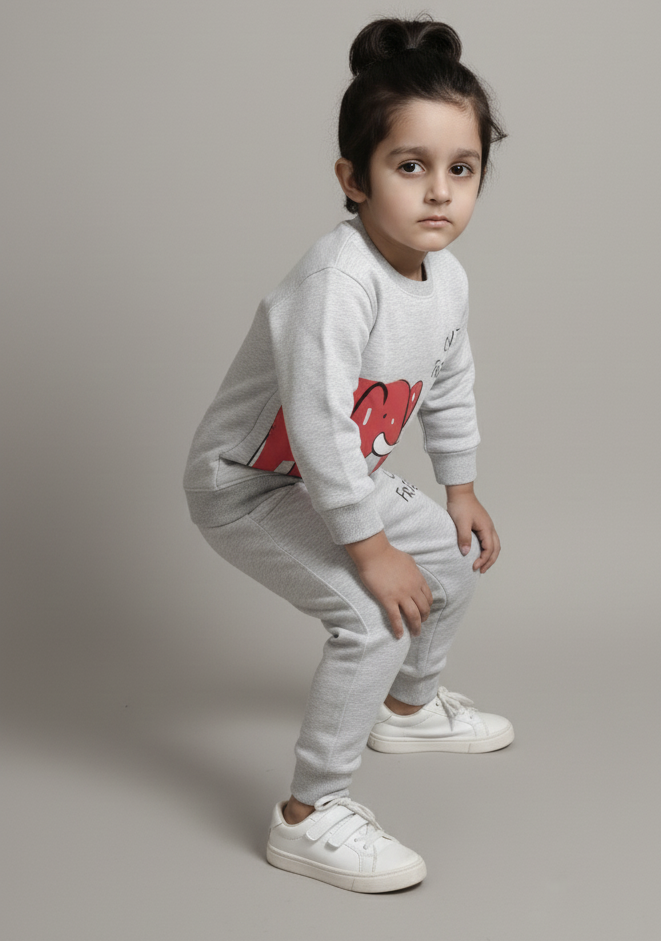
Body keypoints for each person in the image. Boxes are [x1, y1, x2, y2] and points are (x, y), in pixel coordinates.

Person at [184, 14, 513, 893]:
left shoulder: (447, 278)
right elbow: (324, 425)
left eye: (462, 169)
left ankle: (407, 707)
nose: (440, 192)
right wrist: (369, 550)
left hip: (337, 479)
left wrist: (460, 488)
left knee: (450, 553)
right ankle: (308, 813)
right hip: (250, 487)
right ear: (354, 179)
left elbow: (449, 384)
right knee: (370, 612)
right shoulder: (338, 280)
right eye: (411, 167)